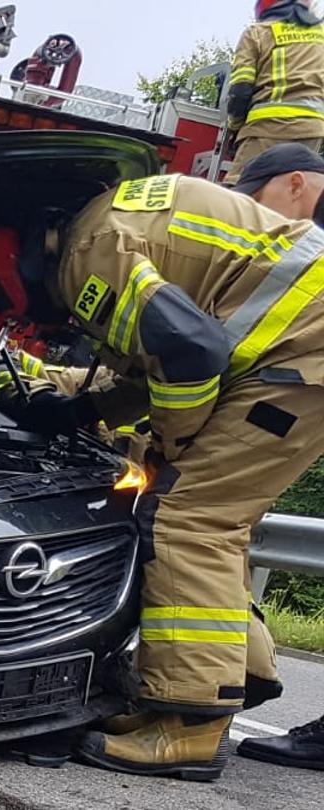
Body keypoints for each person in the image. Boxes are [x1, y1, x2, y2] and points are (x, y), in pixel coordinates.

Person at [0, 173, 324, 780]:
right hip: (298, 347)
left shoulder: (85, 256)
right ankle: (238, 673)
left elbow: (191, 353)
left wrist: (172, 448)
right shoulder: (109, 221)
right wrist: (80, 410)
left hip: (297, 352)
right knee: (209, 515)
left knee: (185, 517)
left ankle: (187, 725)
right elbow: (153, 367)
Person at [228, 144, 324, 770]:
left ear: (294, 185)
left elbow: (251, 339)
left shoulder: (307, 245)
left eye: (252, 203)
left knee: (192, 519)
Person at [226, 0, 324, 182]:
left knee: (240, 189)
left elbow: (240, 91)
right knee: (289, 191)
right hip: (313, 130)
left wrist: (234, 126)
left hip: (267, 126)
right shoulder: (321, 36)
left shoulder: (257, 33)